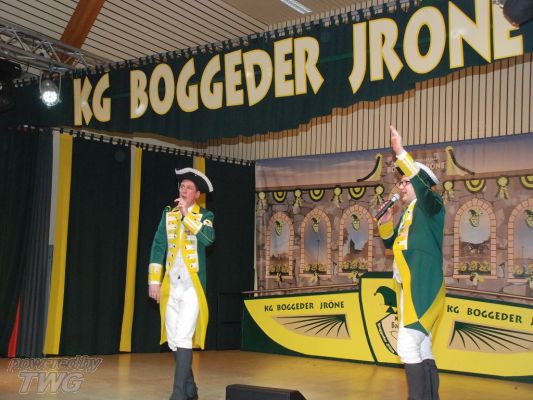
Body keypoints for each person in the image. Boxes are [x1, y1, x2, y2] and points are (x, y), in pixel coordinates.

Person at [376, 126, 445, 400]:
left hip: (423, 287)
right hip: (410, 289)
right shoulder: (409, 215)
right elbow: (391, 245)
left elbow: (421, 186)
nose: (401, 186)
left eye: (405, 182)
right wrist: (384, 224)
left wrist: (400, 152)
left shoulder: (432, 204)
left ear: (420, 185)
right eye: (401, 182)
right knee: (423, 347)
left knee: (406, 346)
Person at [148, 167, 215, 400]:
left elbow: (208, 240)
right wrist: (154, 281)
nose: (184, 190)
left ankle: (177, 395)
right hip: (171, 285)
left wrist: (187, 215)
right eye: (182, 186)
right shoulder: (168, 214)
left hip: (192, 287)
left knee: (184, 336)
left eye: (189, 188)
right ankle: (190, 389)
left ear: (197, 194)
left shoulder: (205, 216)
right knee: (174, 340)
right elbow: (158, 247)